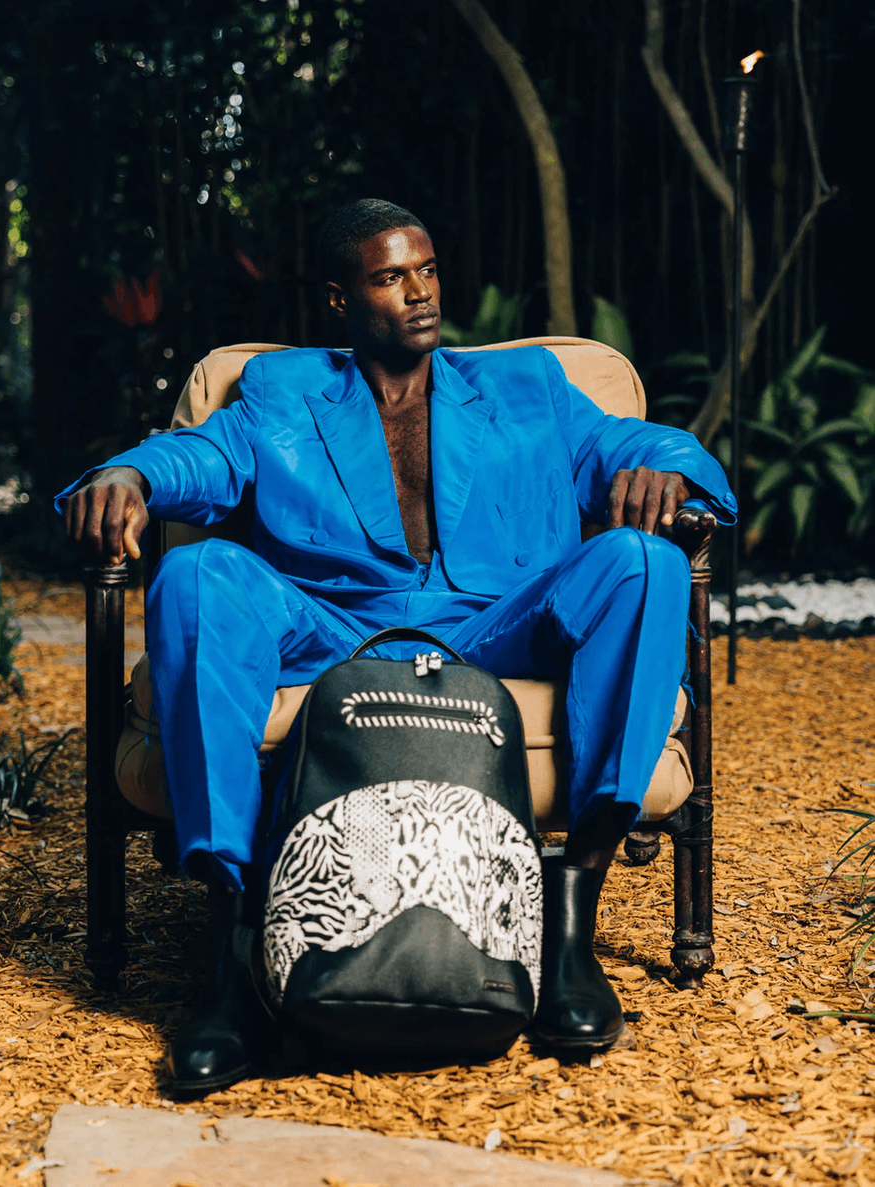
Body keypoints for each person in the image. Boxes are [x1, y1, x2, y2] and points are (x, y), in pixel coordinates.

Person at [58, 198, 735, 1094]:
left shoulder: (527, 387)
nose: (420, 293)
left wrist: (669, 467)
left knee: (643, 562)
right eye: (390, 277)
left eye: (428, 270)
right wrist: (130, 473)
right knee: (194, 575)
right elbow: (201, 458)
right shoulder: (281, 391)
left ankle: (570, 920)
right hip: (335, 627)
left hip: (497, 626)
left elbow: (635, 441)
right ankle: (236, 953)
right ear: (340, 299)